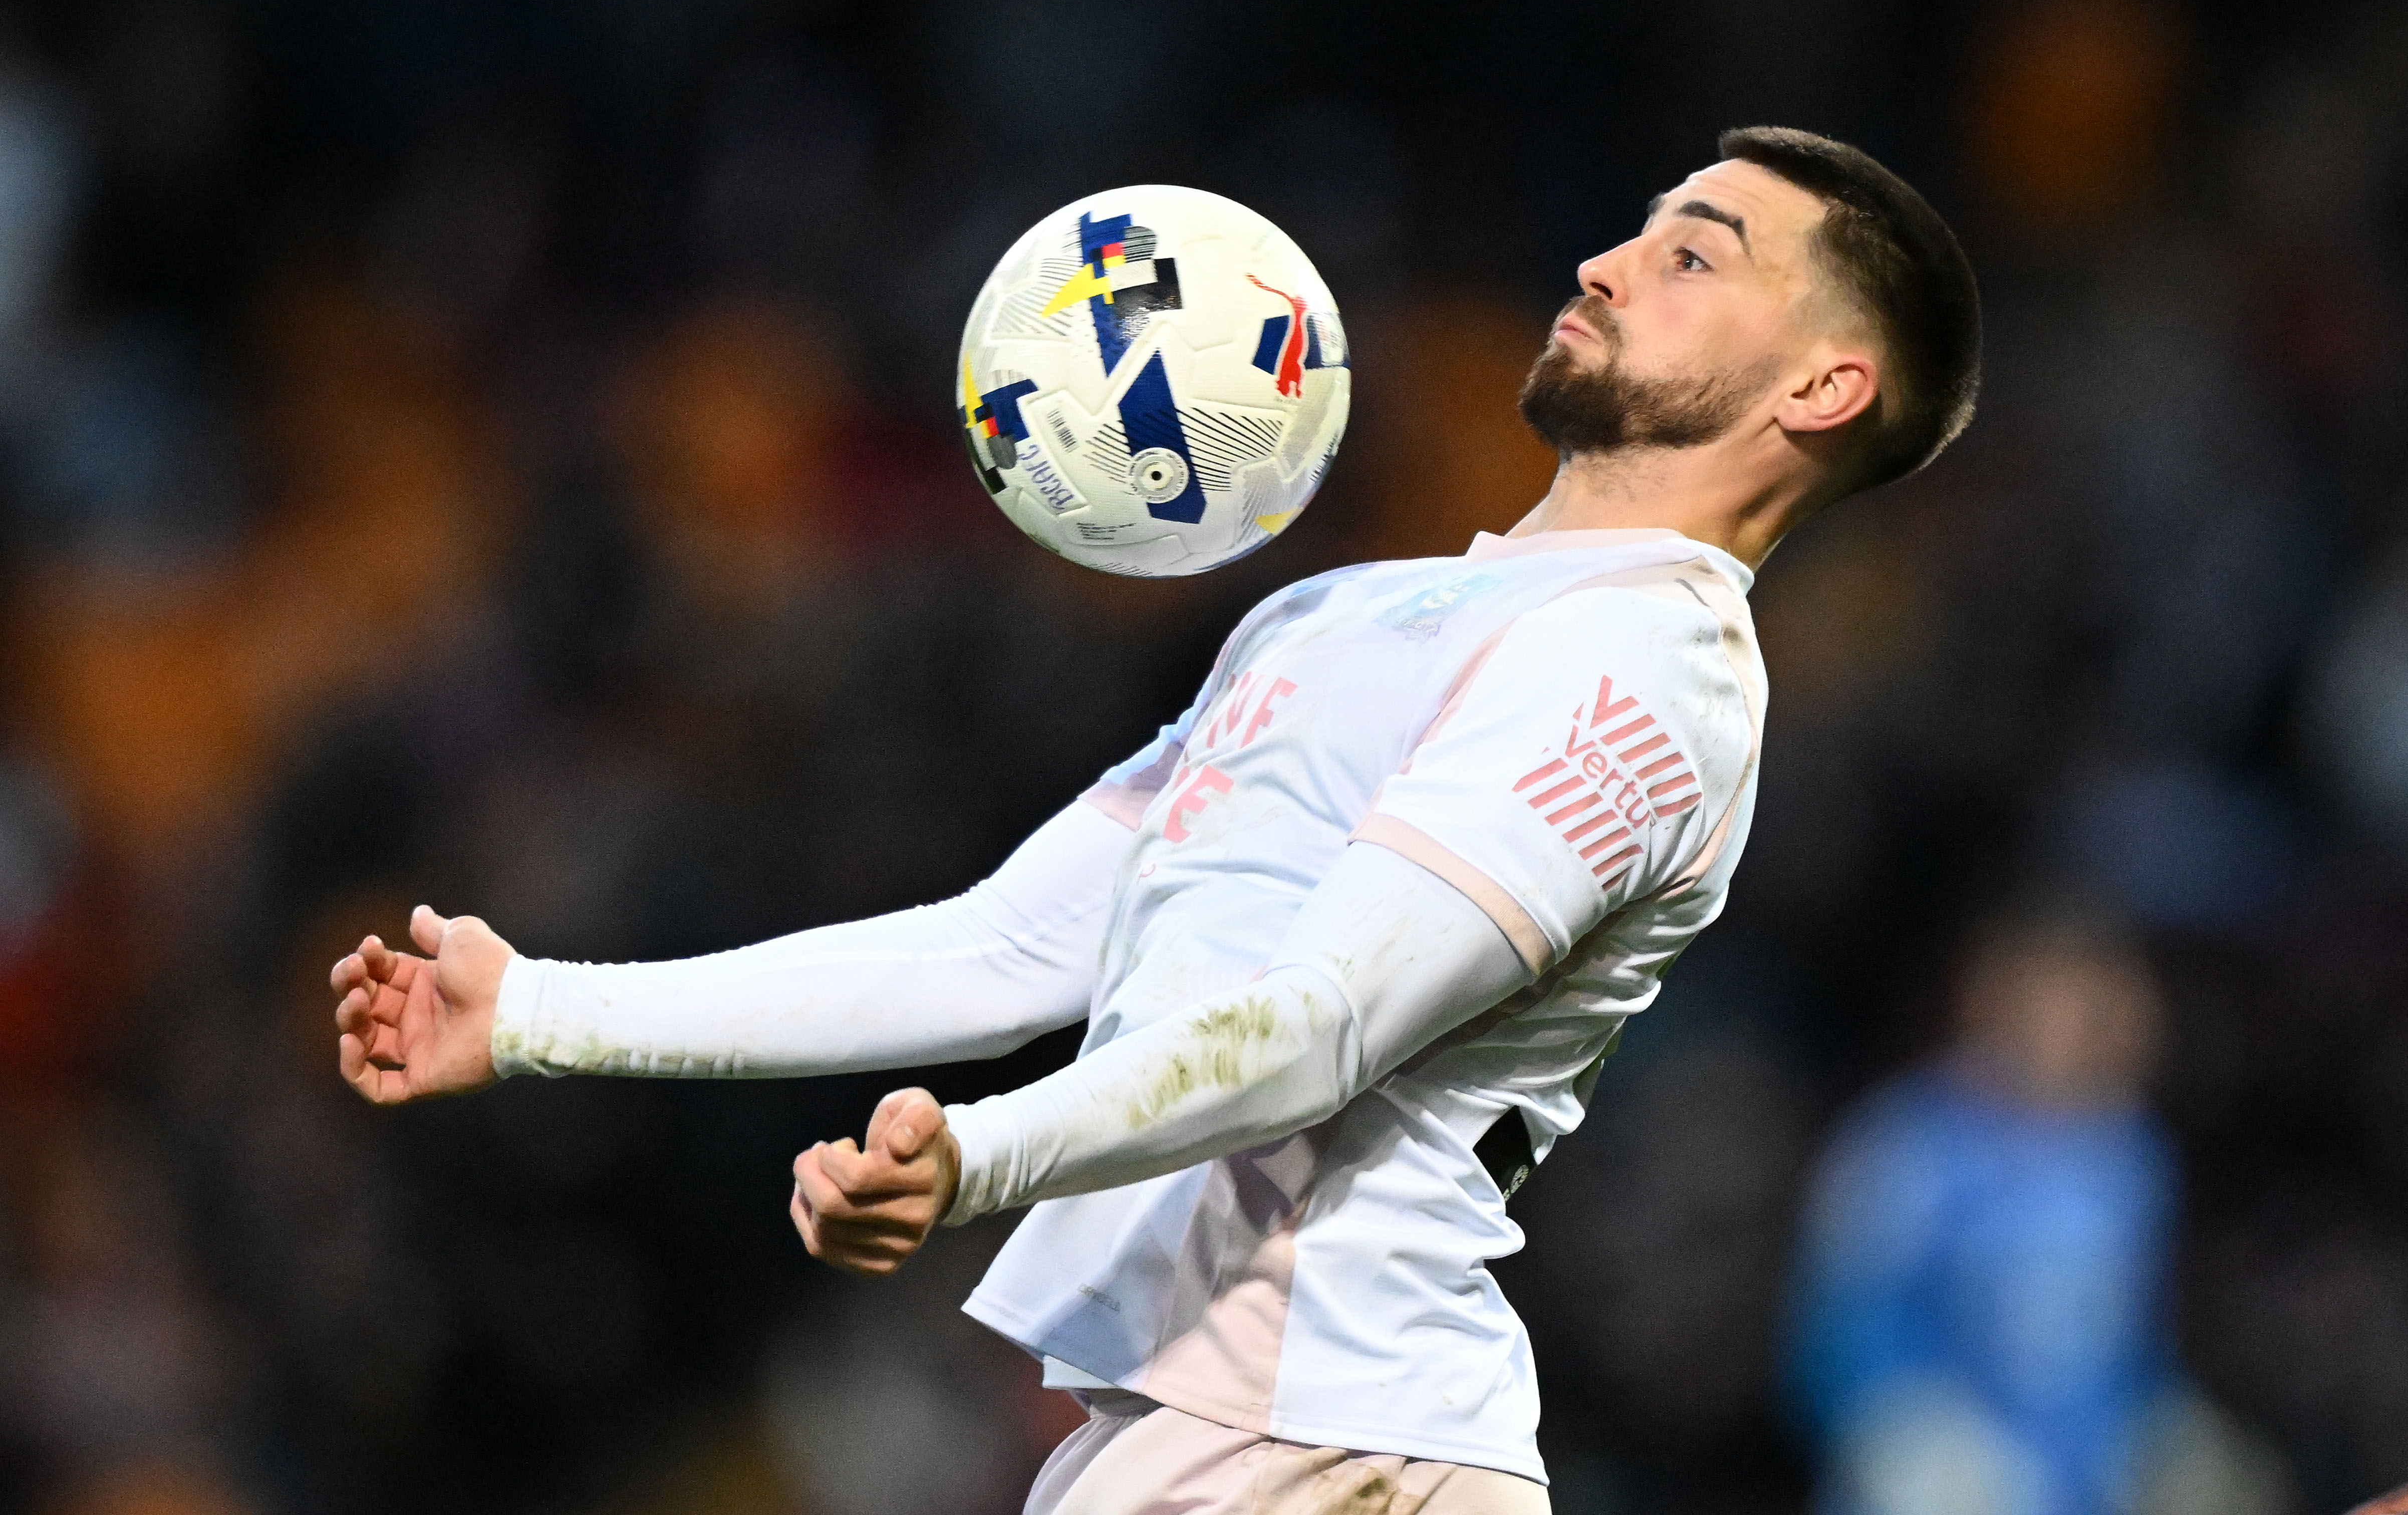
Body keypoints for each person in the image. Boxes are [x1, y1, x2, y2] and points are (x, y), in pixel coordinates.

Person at [330, 127, 1981, 1513]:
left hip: (1340, 1446)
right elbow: (1005, 944)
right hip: (1211, 1442)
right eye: (1637, 230)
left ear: (1826, 384)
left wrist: (980, 1158)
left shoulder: (1650, 674)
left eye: (1692, 256)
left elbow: (1318, 1032)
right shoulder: (1335, 616)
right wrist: (540, 1013)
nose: (1608, 265)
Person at [1782, 915, 2236, 1515]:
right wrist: (1906, 1435)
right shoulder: (1907, 1146)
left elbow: (2126, 1343)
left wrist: (2167, 1431)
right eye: (2052, 1006)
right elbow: (1836, 1327)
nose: (2069, 1031)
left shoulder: (2132, 1159)